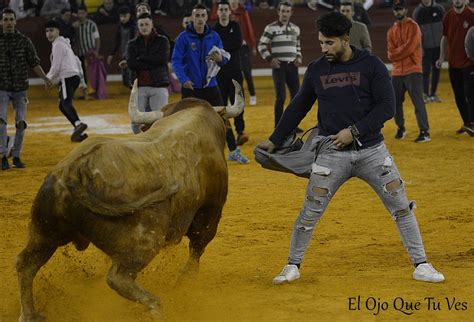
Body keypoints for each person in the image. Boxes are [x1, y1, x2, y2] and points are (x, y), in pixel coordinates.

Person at [257, 11, 445, 285]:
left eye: (329, 43)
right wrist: (274, 139)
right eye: (321, 42)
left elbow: (387, 107)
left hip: (372, 152)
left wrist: (353, 131)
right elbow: (298, 106)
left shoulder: (372, 65)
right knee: (309, 211)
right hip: (331, 152)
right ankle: (292, 265)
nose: (323, 48)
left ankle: (421, 264)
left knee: (401, 206)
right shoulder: (317, 69)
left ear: (346, 39)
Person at [173, 4, 248, 164]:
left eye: (202, 15)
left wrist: (221, 60)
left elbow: (224, 56)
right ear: (192, 18)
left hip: (210, 85)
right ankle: (186, 153)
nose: (200, 19)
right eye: (197, 15)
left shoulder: (214, 36)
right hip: (190, 87)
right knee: (185, 121)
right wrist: (183, 79)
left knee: (223, 118)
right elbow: (176, 61)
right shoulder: (183, 38)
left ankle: (233, 150)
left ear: (206, 17)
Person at [0, 8, 52, 170]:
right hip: (1, 88)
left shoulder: (24, 41)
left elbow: (34, 62)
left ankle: (16, 155)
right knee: (1, 122)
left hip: (20, 88)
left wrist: (45, 78)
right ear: (1, 22)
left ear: (15, 21)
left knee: (21, 123)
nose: (8, 22)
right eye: (6, 19)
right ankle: (2, 155)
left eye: (11, 19)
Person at [387, 0, 431, 143]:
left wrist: (397, 53)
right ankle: (401, 127)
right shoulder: (391, 31)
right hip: (398, 71)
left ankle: (424, 132)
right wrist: (399, 53)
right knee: (395, 102)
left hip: (413, 69)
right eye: (395, 9)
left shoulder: (413, 26)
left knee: (418, 101)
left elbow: (408, 48)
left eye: (400, 9)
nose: (397, 12)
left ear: (405, 10)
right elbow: (390, 54)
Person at [258, 1, 302, 130]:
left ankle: (292, 125)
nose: (285, 14)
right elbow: (261, 45)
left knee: (296, 97)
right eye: (282, 11)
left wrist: (299, 56)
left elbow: (297, 46)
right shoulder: (270, 28)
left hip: (292, 66)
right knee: (281, 97)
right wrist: (270, 58)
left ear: (291, 13)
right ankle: (278, 126)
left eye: (287, 11)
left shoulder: (296, 28)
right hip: (279, 67)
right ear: (278, 12)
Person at [213, 1, 250, 155]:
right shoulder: (214, 29)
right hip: (219, 72)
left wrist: (221, 48)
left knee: (237, 102)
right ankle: (223, 134)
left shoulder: (235, 26)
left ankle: (240, 131)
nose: (222, 12)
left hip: (235, 70)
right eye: (220, 9)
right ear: (217, 12)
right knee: (221, 104)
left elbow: (236, 44)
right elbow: (227, 45)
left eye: (225, 10)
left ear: (229, 12)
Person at [45, 20, 89, 143]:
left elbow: (56, 66)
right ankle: (78, 129)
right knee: (62, 105)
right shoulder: (65, 44)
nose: (49, 34)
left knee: (65, 103)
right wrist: (81, 81)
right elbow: (78, 62)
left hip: (67, 77)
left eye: (51, 30)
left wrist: (47, 79)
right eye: (47, 31)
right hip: (73, 77)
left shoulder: (58, 45)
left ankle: (78, 124)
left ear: (58, 31)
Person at [126, 13, 170, 134]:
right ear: (138, 27)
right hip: (139, 87)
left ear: (151, 24)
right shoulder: (132, 44)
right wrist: (151, 60)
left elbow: (162, 59)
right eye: (141, 25)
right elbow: (131, 64)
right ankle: (140, 145)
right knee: (136, 121)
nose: (144, 27)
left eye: (146, 24)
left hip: (159, 86)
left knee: (160, 121)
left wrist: (141, 58)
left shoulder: (162, 40)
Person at [436, 0, 474, 136]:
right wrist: (441, 57)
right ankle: (467, 123)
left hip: (470, 63)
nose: (457, 0)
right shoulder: (447, 16)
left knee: (470, 94)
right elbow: (445, 38)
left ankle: (472, 122)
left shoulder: (472, 14)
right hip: (453, 64)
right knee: (459, 96)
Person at [412, 0, 444, 103]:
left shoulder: (439, 9)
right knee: (425, 71)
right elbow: (415, 32)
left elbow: (444, 27)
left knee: (436, 70)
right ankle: (425, 94)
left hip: (438, 47)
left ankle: (433, 94)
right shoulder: (418, 11)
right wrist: (419, 47)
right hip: (425, 47)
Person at [74, 4, 101, 97]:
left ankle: (94, 92)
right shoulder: (74, 25)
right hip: (80, 53)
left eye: (82, 13)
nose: (80, 15)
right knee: (82, 74)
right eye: (79, 13)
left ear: (86, 13)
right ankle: (85, 93)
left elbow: (97, 38)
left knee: (92, 74)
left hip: (91, 53)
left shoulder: (92, 24)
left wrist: (96, 51)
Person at [107, 6, 136, 88]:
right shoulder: (120, 26)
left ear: (129, 15)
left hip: (133, 56)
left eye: (125, 16)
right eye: (121, 16)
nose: (123, 18)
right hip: (125, 55)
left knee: (132, 78)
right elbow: (117, 41)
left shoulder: (134, 26)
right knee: (126, 80)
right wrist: (112, 54)